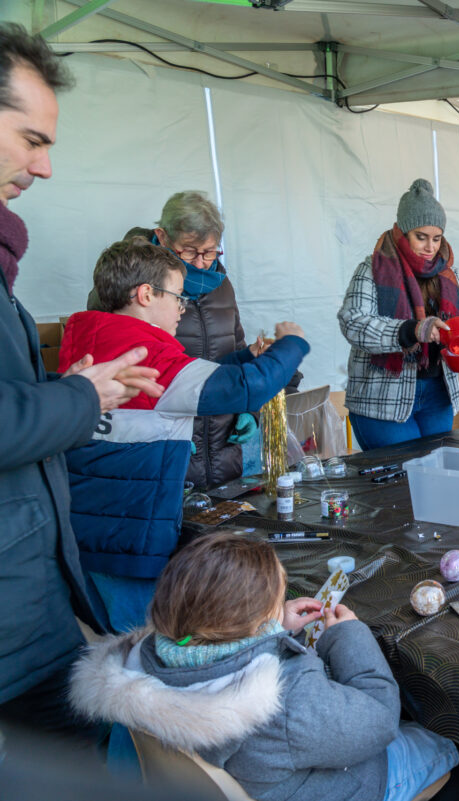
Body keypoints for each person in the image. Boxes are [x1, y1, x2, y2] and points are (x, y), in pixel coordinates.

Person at [0, 24, 163, 747]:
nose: (44, 167)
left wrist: (67, 390)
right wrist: (79, 398)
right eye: (32, 140)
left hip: (32, 594)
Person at [69, 532, 459, 801]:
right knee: (447, 738)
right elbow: (378, 720)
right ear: (252, 621)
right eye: (276, 600)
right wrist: (349, 636)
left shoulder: (149, 658)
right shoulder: (284, 698)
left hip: (254, 778)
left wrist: (273, 627)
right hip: (336, 787)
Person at [60, 238, 309, 632]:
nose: (182, 308)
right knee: (142, 646)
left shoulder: (91, 340)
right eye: (178, 296)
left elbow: (194, 378)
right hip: (130, 541)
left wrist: (244, 357)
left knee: (113, 639)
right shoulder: (149, 357)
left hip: (85, 531)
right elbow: (249, 388)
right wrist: (293, 343)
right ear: (145, 294)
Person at [89, 191, 278, 490]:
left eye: (210, 252)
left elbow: (237, 348)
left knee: (223, 514)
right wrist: (156, 430)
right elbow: (110, 368)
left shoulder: (221, 284)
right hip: (162, 440)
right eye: (189, 252)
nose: (201, 264)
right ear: (163, 236)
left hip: (221, 440)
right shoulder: (126, 280)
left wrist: (248, 409)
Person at [339, 179, 459, 449]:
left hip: (438, 396)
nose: (430, 247)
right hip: (383, 400)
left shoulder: (448, 273)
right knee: (403, 472)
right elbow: (353, 323)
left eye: (436, 238)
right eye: (421, 237)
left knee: (436, 470)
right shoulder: (372, 269)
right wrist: (412, 330)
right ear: (403, 232)